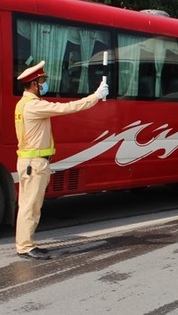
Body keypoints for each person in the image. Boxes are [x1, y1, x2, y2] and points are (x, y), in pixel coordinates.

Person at [14, 60, 108, 260]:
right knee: (31, 206)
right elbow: (66, 108)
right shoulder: (33, 106)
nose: (44, 84)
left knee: (27, 205)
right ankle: (26, 246)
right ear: (33, 84)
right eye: (42, 81)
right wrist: (95, 96)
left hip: (29, 162)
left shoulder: (22, 104)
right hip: (35, 163)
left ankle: (24, 244)